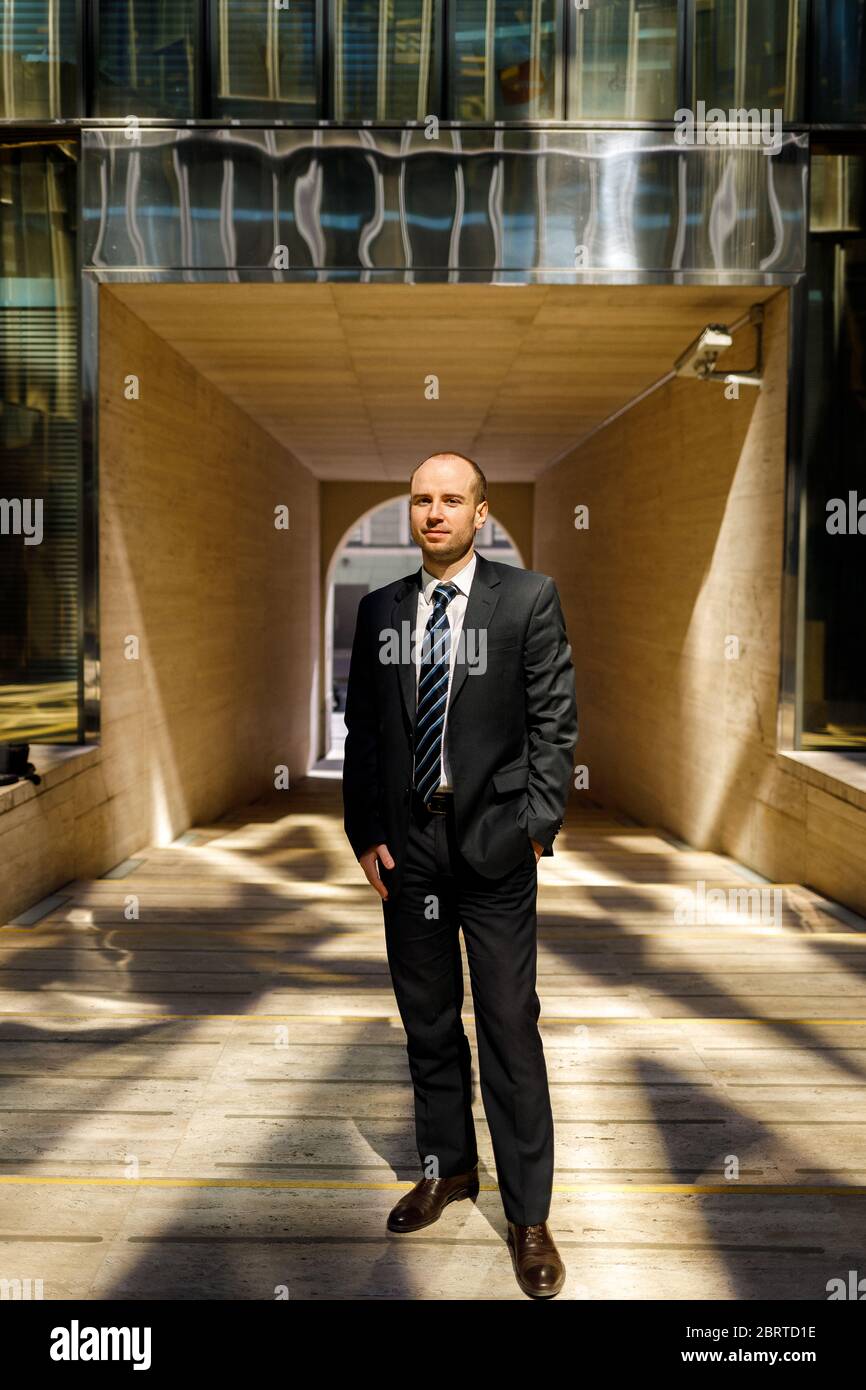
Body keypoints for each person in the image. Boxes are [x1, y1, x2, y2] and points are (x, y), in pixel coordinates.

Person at [341, 450, 578, 1297]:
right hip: (411, 851)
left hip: (496, 848)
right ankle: (448, 1171)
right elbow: (364, 731)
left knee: (510, 1025)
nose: (433, 512)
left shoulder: (527, 600)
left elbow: (555, 719)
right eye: (421, 500)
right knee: (429, 1021)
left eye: (451, 500)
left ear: (481, 514)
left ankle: (529, 1216)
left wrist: (535, 828)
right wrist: (365, 830)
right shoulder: (378, 611)